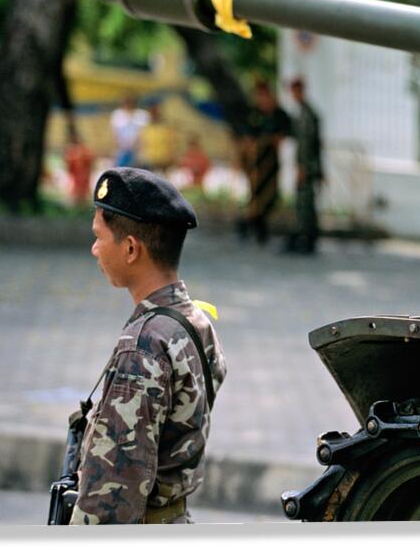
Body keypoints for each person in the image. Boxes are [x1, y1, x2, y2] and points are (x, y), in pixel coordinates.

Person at [70, 167, 226, 524]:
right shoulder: (194, 322)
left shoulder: (142, 347)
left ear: (130, 248)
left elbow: (111, 502)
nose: (94, 248)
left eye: (99, 236)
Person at [237, 80, 291, 244]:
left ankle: (252, 225)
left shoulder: (279, 114)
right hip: (255, 163)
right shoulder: (253, 114)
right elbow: (246, 135)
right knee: (255, 196)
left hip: (271, 161)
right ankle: (253, 227)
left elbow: (285, 132)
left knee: (270, 195)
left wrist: (275, 139)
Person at [283, 77, 324, 254]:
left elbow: (308, 145)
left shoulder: (307, 115)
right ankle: (307, 238)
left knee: (305, 204)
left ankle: (307, 239)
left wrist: (302, 167)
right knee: (305, 203)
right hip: (309, 166)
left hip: (307, 167)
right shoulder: (304, 112)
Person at [110, 94, 150, 167]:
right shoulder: (117, 114)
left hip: (139, 149)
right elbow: (115, 133)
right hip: (122, 149)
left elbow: (145, 132)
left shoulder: (142, 114)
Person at [138, 102, 177, 172]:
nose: (154, 116)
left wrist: (170, 158)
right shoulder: (144, 129)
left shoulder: (166, 128)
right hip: (149, 163)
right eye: (152, 113)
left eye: (156, 113)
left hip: (163, 163)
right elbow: (141, 146)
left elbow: (171, 145)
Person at [63, 122, 95, 206]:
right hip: (76, 178)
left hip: (82, 177)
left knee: (81, 194)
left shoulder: (83, 151)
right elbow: (69, 166)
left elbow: (90, 162)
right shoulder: (71, 151)